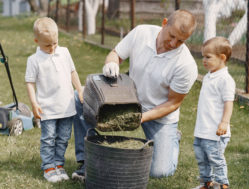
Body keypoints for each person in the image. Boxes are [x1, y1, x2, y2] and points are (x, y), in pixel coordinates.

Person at [72, 9, 198, 181]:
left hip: (158, 115)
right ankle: (87, 159)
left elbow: (173, 103)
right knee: (81, 97)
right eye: (171, 35)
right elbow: (115, 54)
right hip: (129, 100)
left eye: (180, 41)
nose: (173, 43)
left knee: (159, 172)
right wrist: (111, 63)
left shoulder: (186, 65)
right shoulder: (142, 33)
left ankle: (172, 138)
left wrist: (141, 118)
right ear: (164, 23)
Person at [25, 17, 83, 183]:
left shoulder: (64, 52)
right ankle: (49, 166)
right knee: (49, 139)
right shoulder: (33, 60)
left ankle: (59, 164)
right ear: (37, 41)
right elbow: (29, 83)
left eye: (54, 44)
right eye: (47, 45)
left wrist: (79, 89)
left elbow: (72, 71)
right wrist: (34, 104)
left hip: (66, 107)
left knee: (63, 138)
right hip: (47, 108)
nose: (52, 48)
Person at [193, 37, 235, 189]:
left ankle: (223, 184)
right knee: (201, 158)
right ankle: (207, 182)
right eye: (203, 56)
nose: (203, 60)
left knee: (215, 159)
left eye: (208, 57)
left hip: (215, 133)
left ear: (222, 58)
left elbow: (228, 103)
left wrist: (224, 122)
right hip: (202, 130)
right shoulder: (209, 77)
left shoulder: (225, 79)